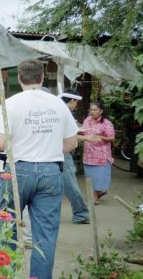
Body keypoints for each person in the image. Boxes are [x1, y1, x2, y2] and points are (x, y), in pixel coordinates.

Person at [0, 59, 78, 279]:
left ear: (20, 78)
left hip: (19, 170)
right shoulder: (58, 104)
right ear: (42, 78)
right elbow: (72, 143)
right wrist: (47, 149)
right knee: (45, 235)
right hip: (51, 171)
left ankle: (5, 275)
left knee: (7, 228)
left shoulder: (9, 103)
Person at [60, 89, 90, 224]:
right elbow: (69, 137)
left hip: (56, 152)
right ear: (72, 100)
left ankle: (80, 214)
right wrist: (87, 137)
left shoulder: (58, 109)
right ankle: (81, 214)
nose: (76, 105)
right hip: (63, 153)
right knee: (71, 185)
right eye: (76, 102)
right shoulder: (64, 111)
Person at [81, 101, 115, 205]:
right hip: (88, 155)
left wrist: (100, 137)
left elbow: (112, 138)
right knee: (90, 177)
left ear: (101, 111)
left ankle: (96, 195)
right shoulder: (87, 121)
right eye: (91, 110)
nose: (92, 112)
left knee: (99, 177)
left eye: (95, 110)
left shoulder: (106, 123)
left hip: (101, 156)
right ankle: (96, 194)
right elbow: (83, 133)